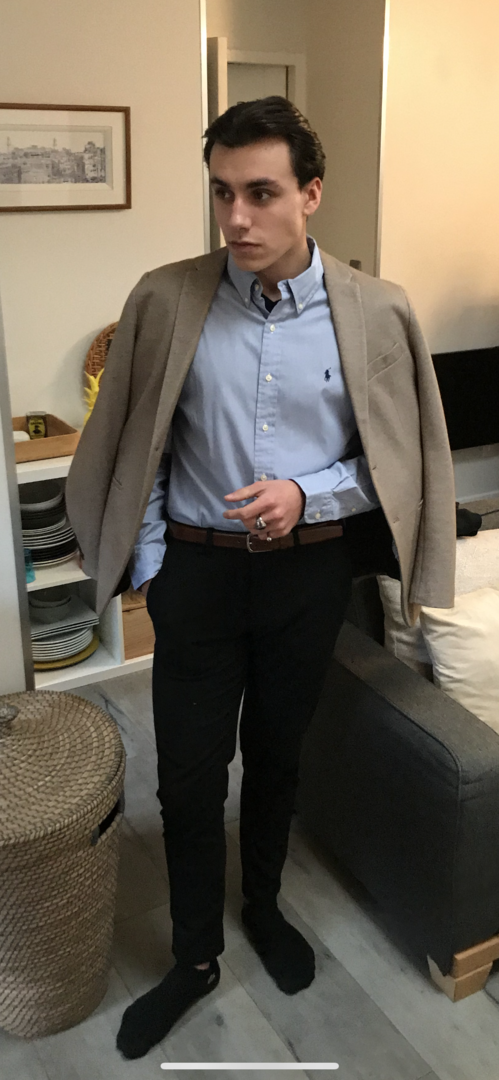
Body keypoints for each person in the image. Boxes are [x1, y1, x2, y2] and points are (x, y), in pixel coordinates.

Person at [65, 96, 456, 1060]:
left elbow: (394, 461)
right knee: (188, 779)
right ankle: (194, 955)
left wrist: (305, 494)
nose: (236, 218)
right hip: (195, 578)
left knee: (280, 758)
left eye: (261, 193)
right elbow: (138, 445)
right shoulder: (165, 299)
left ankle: (265, 906)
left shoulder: (377, 310)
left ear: (310, 194)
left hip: (306, 580)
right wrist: (153, 564)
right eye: (221, 193)